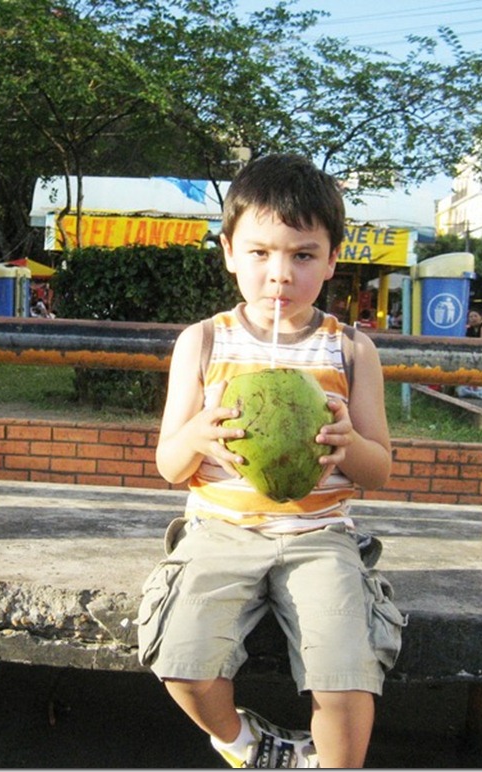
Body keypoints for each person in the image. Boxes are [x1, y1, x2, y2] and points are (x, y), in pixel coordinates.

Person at [137, 154, 401, 769]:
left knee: (345, 678)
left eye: (303, 255)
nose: (279, 275)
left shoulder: (352, 349)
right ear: (228, 251)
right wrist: (198, 435)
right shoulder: (203, 342)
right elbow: (169, 464)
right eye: (260, 253)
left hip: (320, 536)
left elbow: (379, 468)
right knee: (181, 661)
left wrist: (348, 444)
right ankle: (246, 746)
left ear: (334, 259)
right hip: (220, 532)